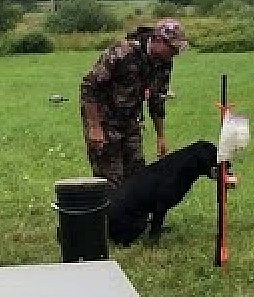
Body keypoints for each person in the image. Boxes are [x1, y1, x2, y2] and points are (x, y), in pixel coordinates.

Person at [79, 18, 189, 186]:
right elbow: (89, 86)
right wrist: (94, 127)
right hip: (104, 122)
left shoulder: (164, 63)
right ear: (158, 40)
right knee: (111, 182)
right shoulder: (122, 52)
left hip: (131, 122)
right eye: (173, 48)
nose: (175, 53)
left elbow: (157, 99)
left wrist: (161, 137)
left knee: (137, 180)